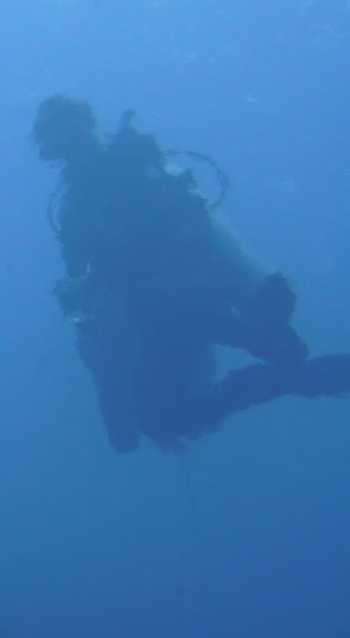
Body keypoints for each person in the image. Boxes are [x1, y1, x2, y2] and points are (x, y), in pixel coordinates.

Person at [34, 95, 350, 452]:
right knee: (155, 423)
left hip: (196, 303)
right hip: (180, 315)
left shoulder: (134, 172)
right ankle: (280, 373)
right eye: (59, 141)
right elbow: (83, 282)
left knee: (163, 414)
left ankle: (279, 368)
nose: (69, 149)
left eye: (69, 136)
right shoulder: (79, 208)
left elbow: (202, 244)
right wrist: (87, 324)